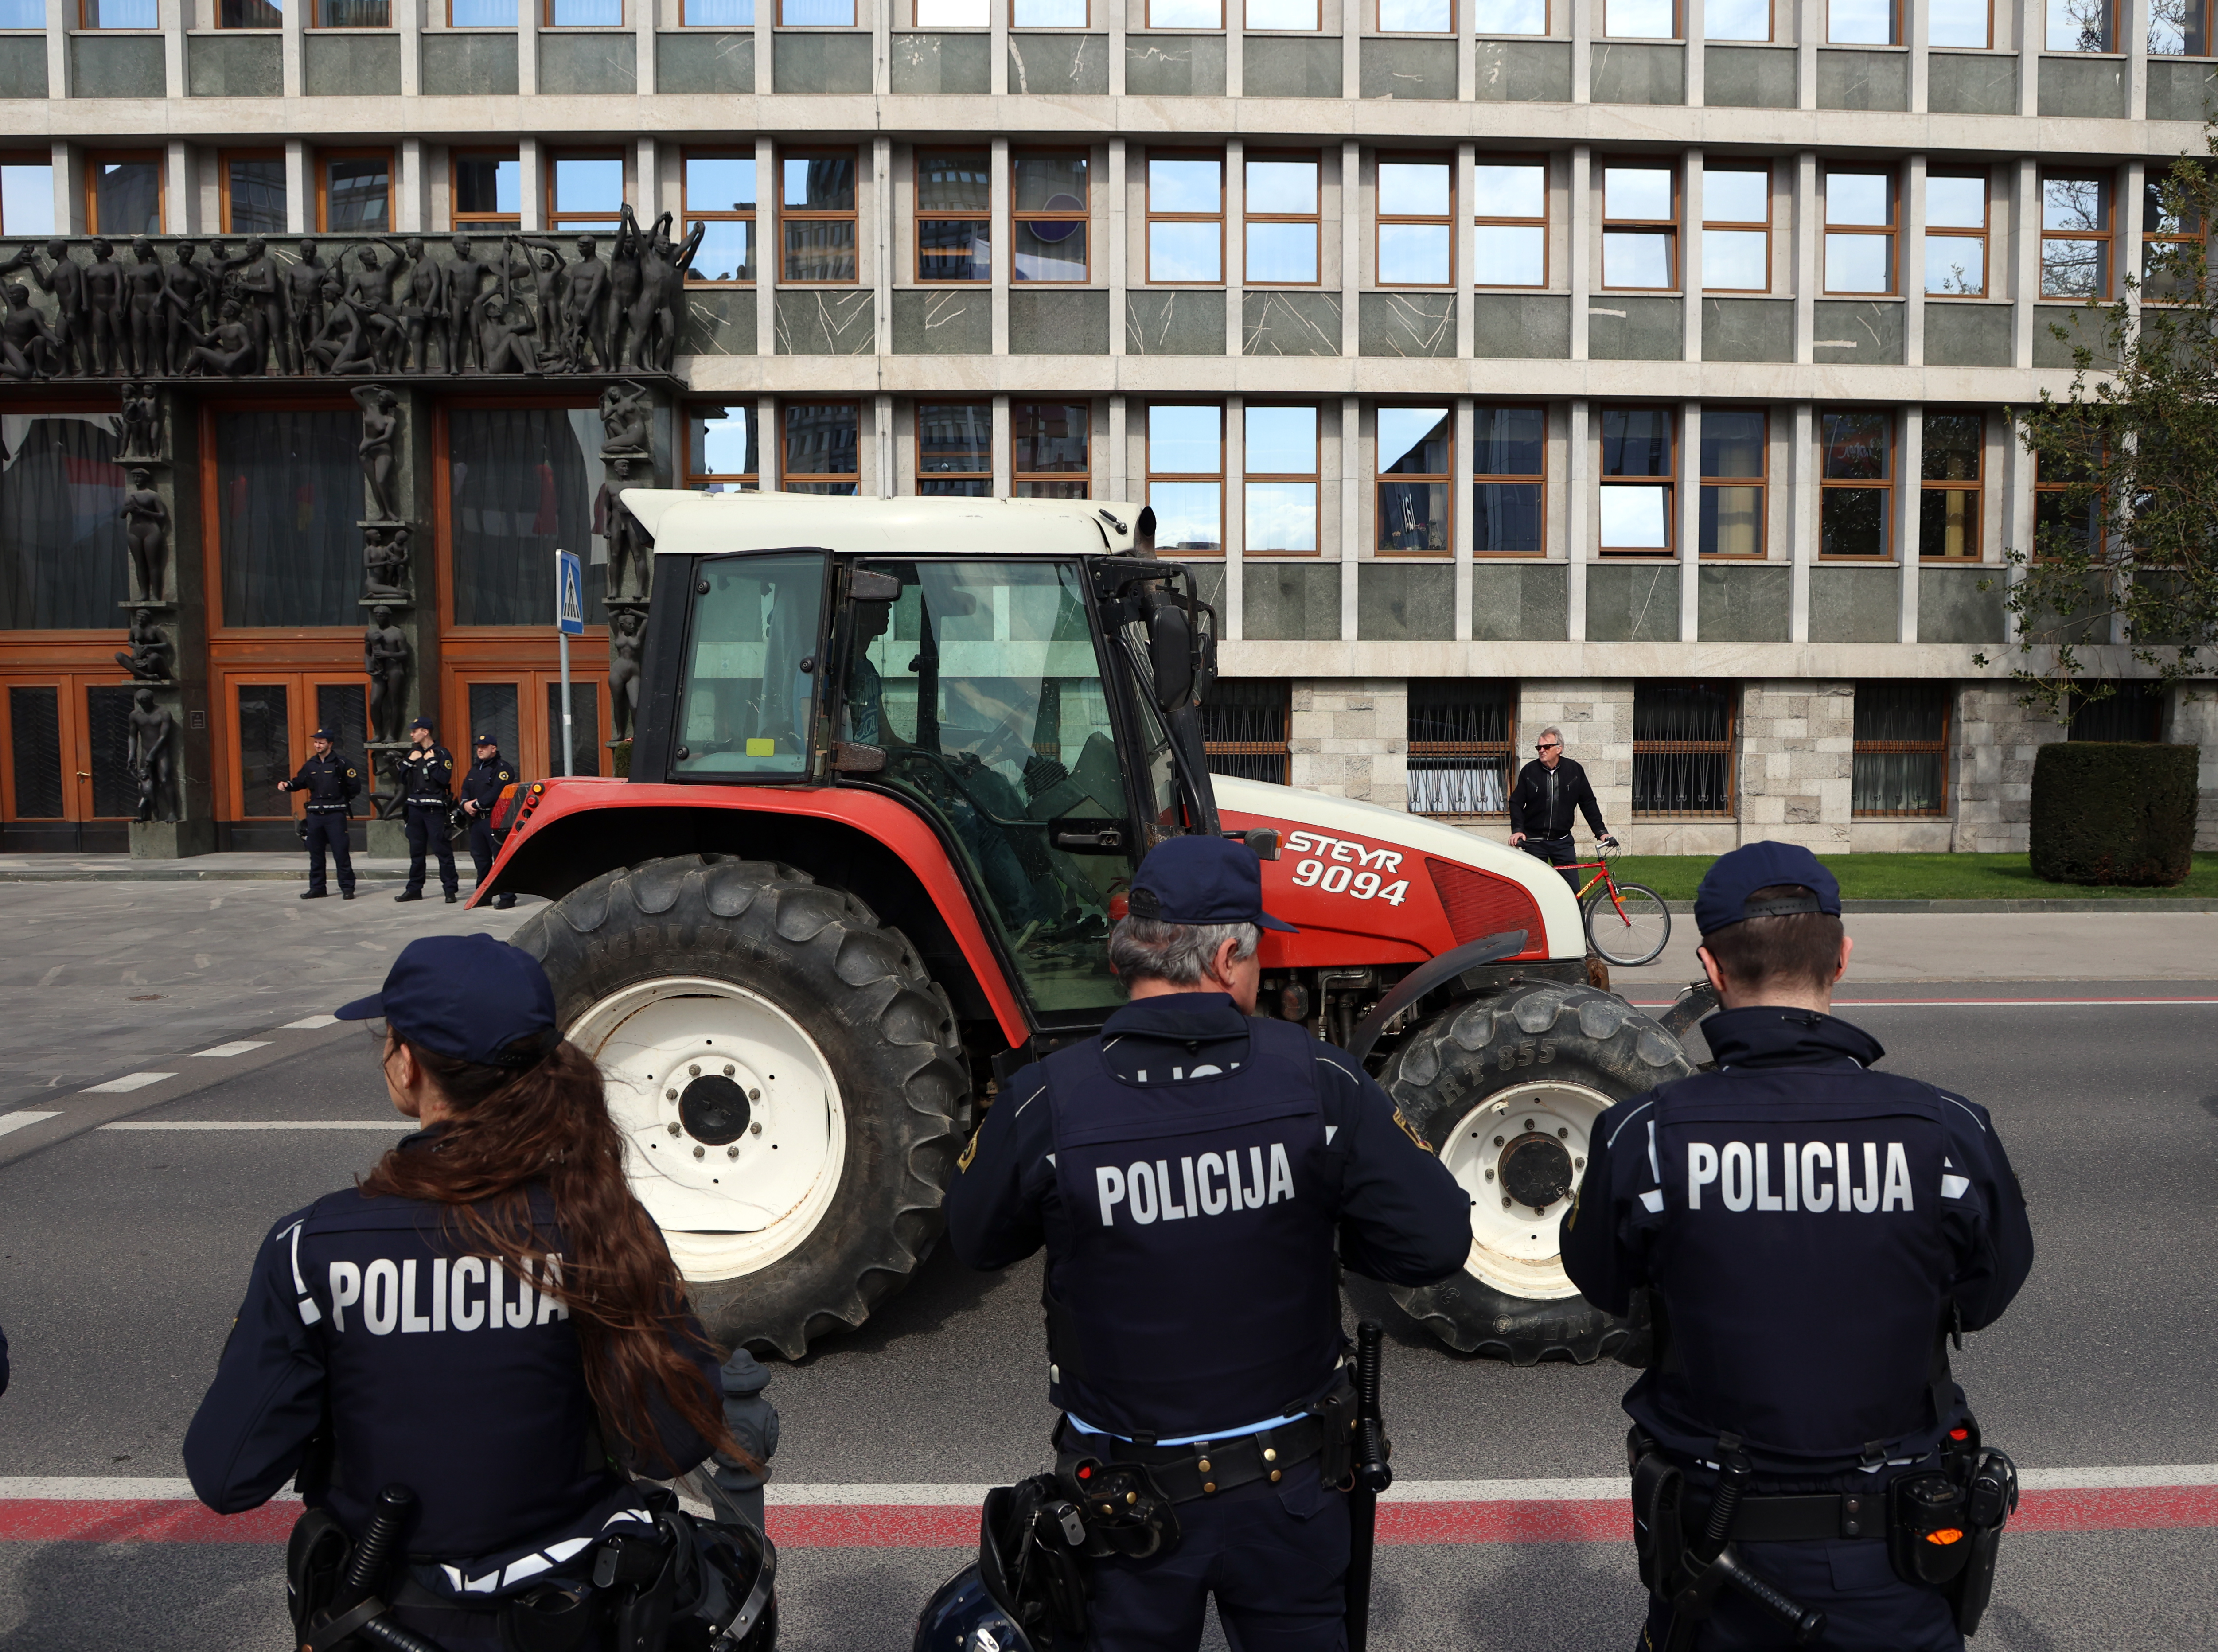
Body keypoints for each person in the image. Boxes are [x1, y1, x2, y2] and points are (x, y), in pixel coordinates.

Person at [943, 834, 1473, 1652]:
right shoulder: (1319, 1077)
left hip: (1121, 1507)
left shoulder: (1047, 1095)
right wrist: (1319, 1228)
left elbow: (975, 1238)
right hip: (1291, 1489)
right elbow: (1435, 1241)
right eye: (1257, 955)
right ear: (1227, 955)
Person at [181, 935, 759, 1652]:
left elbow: (226, 1474)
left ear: (407, 1061)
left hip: (384, 1620)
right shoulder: (599, 1222)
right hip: (573, 1617)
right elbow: (675, 1440)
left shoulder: (310, 1246)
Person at [1561, 842, 2035, 1652]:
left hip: (1716, 1542)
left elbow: (1605, 1280)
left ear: (1711, 966)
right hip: (1894, 1553)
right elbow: (1986, 1294)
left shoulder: (1643, 1133)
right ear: (1841, 956)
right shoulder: (1949, 1130)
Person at [1506, 724, 1616, 896]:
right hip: (1534, 841)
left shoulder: (1574, 771)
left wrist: (1602, 832)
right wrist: (1518, 830)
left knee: (1573, 893)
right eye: (1539, 747)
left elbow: (1588, 803)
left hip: (1562, 842)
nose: (1542, 750)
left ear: (1559, 749)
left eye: (1546, 747)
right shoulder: (1530, 771)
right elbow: (1516, 803)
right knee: (1533, 893)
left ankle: (1577, 923)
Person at [276, 727, 363, 900]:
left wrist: (341, 800)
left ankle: (347, 887)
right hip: (315, 815)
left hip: (335, 815)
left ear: (330, 744)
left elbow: (355, 787)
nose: (317, 745)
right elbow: (299, 782)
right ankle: (317, 888)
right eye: (316, 742)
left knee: (340, 852)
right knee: (315, 853)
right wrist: (287, 785)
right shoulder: (311, 765)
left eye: (321, 743)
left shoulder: (342, 763)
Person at [396, 716, 460, 904]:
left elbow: (444, 779)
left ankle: (450, 889)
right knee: (416, 852)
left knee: (442, 850)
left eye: (415, 731)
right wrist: (409, 762)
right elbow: (401, 778)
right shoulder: (413, 754)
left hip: (434, 809)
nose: (412, 734)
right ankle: (414, 889)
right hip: (415, 808)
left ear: (426, 732)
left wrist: (431, 763)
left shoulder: (442, 754)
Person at [460, 731, 518, 910]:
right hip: (477, 821)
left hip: (495, 819)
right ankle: (483, 895)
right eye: (479, 747)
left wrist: (476, 804)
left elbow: (496, 792)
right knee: (481, 859)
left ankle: (507, 896)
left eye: (484, 748)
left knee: (500, 859)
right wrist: (464, 804)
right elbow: (466, 787)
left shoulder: (503, 768)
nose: (481, 750)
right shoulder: (475, 768)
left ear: (494, 749)